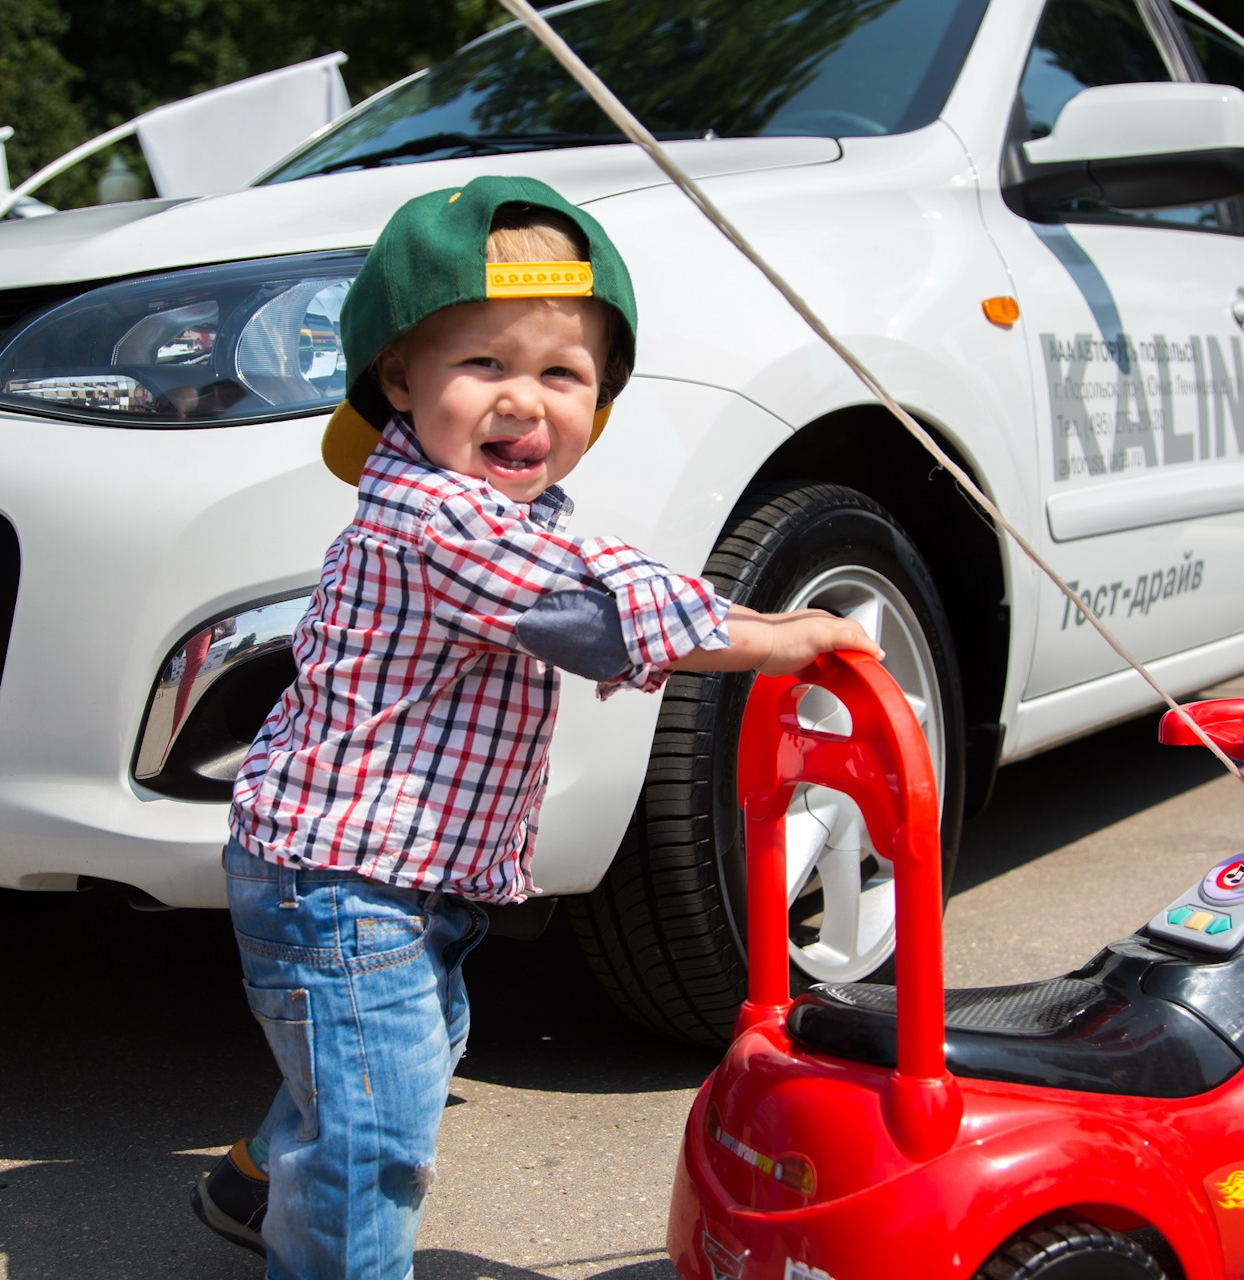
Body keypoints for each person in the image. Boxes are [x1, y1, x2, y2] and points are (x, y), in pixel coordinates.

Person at [189, 174, 880, 1280]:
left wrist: (768, 618)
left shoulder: (508, 516)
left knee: (381, 1060)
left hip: (391, 869)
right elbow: (596, 610)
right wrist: (776, 640)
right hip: (343, 876)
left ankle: (254, 1182)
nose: (526, 401)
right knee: (378, 1126)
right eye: (484, 365)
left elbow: (611, 577)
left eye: (562, 373)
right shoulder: (437, 516)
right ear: (399, 379)